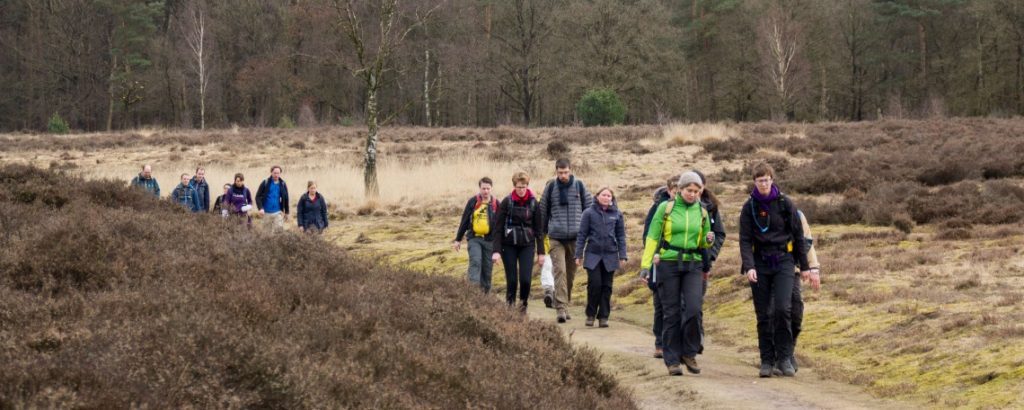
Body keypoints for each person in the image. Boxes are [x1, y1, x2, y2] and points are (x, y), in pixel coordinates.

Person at [738, 162, 810, 378]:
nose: (763, 184)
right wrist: (749, 266)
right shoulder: (749, 207)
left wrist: (805, 266)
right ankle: (766, 360)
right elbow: (744, 239)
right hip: (760, 262)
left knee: (782, 309)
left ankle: (785, 357)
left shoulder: (785, 203)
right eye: (759, 180)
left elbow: (798, 235)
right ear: (754, 182)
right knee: (763, 315)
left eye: (767, 180)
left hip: (784, 261)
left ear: (772, 180)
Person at [640, 172, 712, 376]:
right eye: (689, 190)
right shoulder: (666, 208)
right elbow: (653, 237)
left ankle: (689, 353)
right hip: (668, 263)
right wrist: (646, 265)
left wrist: (708, 239)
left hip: (693, 264)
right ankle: (672, 360)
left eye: (696, 191)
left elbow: (704, 242)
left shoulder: (703, 211)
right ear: (680, 189)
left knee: (693, 309)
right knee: (670, 312)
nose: (692, 194)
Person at [539, 158, 593, 323]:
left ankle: (564, 302)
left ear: (570, 170)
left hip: (576, 238)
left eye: (566, 172)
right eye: (560, 172)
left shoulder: (580, 186)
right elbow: (543, 211)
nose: (563, 175)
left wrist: (590, 233)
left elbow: (589, 209)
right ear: (556, 171)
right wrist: (541, 237)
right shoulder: (550, 188)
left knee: (570, 274)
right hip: (556, 238)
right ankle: (560, 309)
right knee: (560, 271)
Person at [774, 209, 822, 374]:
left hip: (791, 270)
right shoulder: (761, 211)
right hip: (769, 271)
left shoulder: (798, 215)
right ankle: (775, 356)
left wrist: (813, 268)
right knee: (777, 312)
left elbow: (806, 242)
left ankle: (788, 351)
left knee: (796, 311)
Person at [491, 171, 545, 314]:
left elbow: (539, 229)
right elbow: (497, 228)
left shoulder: (534, 203)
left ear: (528, 186)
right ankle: (510, 307)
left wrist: (541, 253)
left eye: (524, 186)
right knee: (512, 280)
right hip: (508, 245)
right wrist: (496, 251)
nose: (521, 190)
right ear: (514, 186)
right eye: (519, 187)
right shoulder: (506, 202)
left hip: (527, 245)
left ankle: (523, 306)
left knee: (526, 280)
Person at [575, 187, 627, 328]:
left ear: (612, 198)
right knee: (595, 285)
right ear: (597, 196)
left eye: (609, 195)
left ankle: (603, 316)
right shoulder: (588, 213)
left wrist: (622, 255)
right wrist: (578, 254)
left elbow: (621, 236)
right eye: (603, 195)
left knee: (607, 286)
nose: (606, 197)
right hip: (593, 254)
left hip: (610, 255)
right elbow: (582, 235)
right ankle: (590, 315)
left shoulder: (617, 214)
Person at [640, 177, 677, 358]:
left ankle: (675, 343)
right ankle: (659, 343)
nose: (678, 195)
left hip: (681, 264)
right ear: (669, 191)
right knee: (660, 304)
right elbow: (648, 235)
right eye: (675, 191)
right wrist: (652, 258)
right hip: (658, 263)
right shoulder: (658, 208)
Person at [693, 169, 727, 355]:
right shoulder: (671, 206)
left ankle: (697, 338)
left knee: (695, 302)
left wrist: (710, 256)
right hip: (676, 262)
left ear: (703, 186)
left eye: (698, 185)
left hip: (702, 264)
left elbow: (720, 234)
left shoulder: (711, 207)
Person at [453, 177, 499, 293]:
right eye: (483, 188)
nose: (486, 191)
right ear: (480, 188)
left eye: (488, 189)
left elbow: (500, 226)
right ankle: (472, 292)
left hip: (489, 241)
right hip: (474, 239)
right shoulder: (473, 201)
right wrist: (458, 239)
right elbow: (464, 221)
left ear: (491, 188)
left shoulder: (496, 203)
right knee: (476, 261)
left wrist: (499, 248)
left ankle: (484, 296)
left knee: (487, 269)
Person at [255, 165, 290, 232]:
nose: (276, 175)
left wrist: (287, 212)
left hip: (278, 212)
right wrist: (260, 208)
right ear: (271, 173)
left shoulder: (282, 184)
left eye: (278, 173)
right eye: (275, 173)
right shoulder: (265, 182)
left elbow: (286, 198)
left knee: (279, 232)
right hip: (266, 213)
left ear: (280, 173)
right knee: (266, 234)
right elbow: (258, 196)